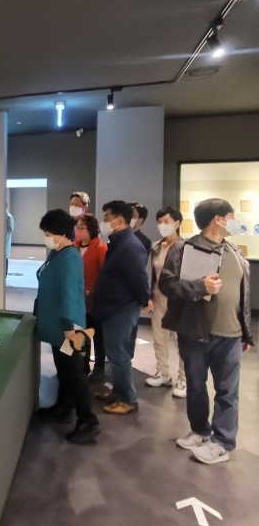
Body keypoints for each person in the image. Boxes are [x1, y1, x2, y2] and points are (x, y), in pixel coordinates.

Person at [159, 199, 252, 465]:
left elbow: (243, 295)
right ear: (218, 219)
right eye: (231, 216)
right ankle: (200, 430)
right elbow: (167, 284)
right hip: (195, 332)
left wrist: (245, 332)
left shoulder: (234, 251)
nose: (234, 222)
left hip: (231, 334)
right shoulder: (184, 249)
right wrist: (200, 287)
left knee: (227, 391)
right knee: (196, 386)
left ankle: (222, 442)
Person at [34, 210, 100, 444]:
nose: (46, 237)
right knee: (64, 370)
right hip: (58, 326)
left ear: (61, 233)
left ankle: (88, 421)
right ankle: (63, 408)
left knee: (75, 374)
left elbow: (70, 293)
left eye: (48, 233)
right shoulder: (57, 253)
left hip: (69, 328)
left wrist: (69, 325)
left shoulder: (70, 257)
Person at [92, 200, 150, 415]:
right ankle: (118, 391)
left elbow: (139, 279)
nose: (104, 221)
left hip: (121, 308)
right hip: (113, 306)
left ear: (118, 219)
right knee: (115, 352)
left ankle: (128, 399)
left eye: (107, 217)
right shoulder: (118, 241)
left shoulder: (129, 246)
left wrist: (144, 300)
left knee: (118, 353)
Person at [145, 207, 186, 397]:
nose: (162, 225)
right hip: (158, 297)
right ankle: (163, 372)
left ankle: (184, 378)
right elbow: (151, 274)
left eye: (166, 221)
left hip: (178, 301)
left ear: (177, 223)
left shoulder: (186, 247)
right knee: (159, 338)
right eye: (159, 222)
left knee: (181, 341)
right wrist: (149, 295)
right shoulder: (156, 247)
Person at [74, 214, 108, 384]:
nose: (78, 230)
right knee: (81, 332)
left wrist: (93, 291)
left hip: (95, 299)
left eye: (83, 228)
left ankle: (99, 367)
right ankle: (82, 364)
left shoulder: (100, 248)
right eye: (77, 227)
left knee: (97, 334)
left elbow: (104, 275)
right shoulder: (74, 247)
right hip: (78, 298)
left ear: (91, 230)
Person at [4, 203, 14, 275]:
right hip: (1, 241)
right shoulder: (1, 216)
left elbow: (11, 229)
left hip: (6, 239)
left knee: (5, 259)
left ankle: (5, 275)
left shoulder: (9, 217)